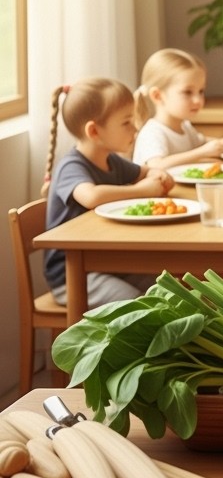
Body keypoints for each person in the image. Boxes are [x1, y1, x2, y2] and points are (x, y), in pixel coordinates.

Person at [42, 78, 175, 307]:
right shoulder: (72, 166)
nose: (135, 128)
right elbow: (91, 196)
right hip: (73, 276)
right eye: (126, 122)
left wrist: (159, 175)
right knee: (138, 306)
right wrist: (140, 191)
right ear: (94, 131)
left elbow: (146, 172)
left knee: (169, 290)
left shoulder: (112, 161)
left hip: (107, 264)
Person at [131, 48, 223, 170]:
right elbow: (156, 165)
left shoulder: (185, 127)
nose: (198, 100)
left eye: (201, 91)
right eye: (187, 92)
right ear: (157, 96)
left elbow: (201, 141)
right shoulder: (152, 133)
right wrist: (202, 152)